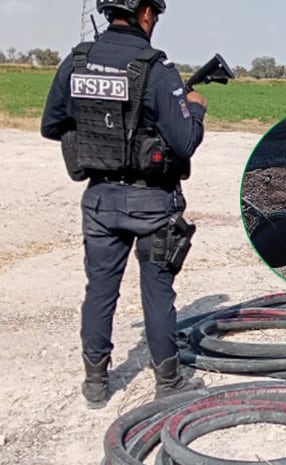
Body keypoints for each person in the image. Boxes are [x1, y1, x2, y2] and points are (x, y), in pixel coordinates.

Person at [41, 0, 208, 409]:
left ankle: (96, 382)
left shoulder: (76, 60)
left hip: (99, 198)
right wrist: (197, 109)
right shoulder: (156, 69)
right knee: (157, 291)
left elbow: (51, 125)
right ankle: (168, 383)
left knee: (99, 289)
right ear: (146, 13)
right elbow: (185, 141)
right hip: (151, 202)